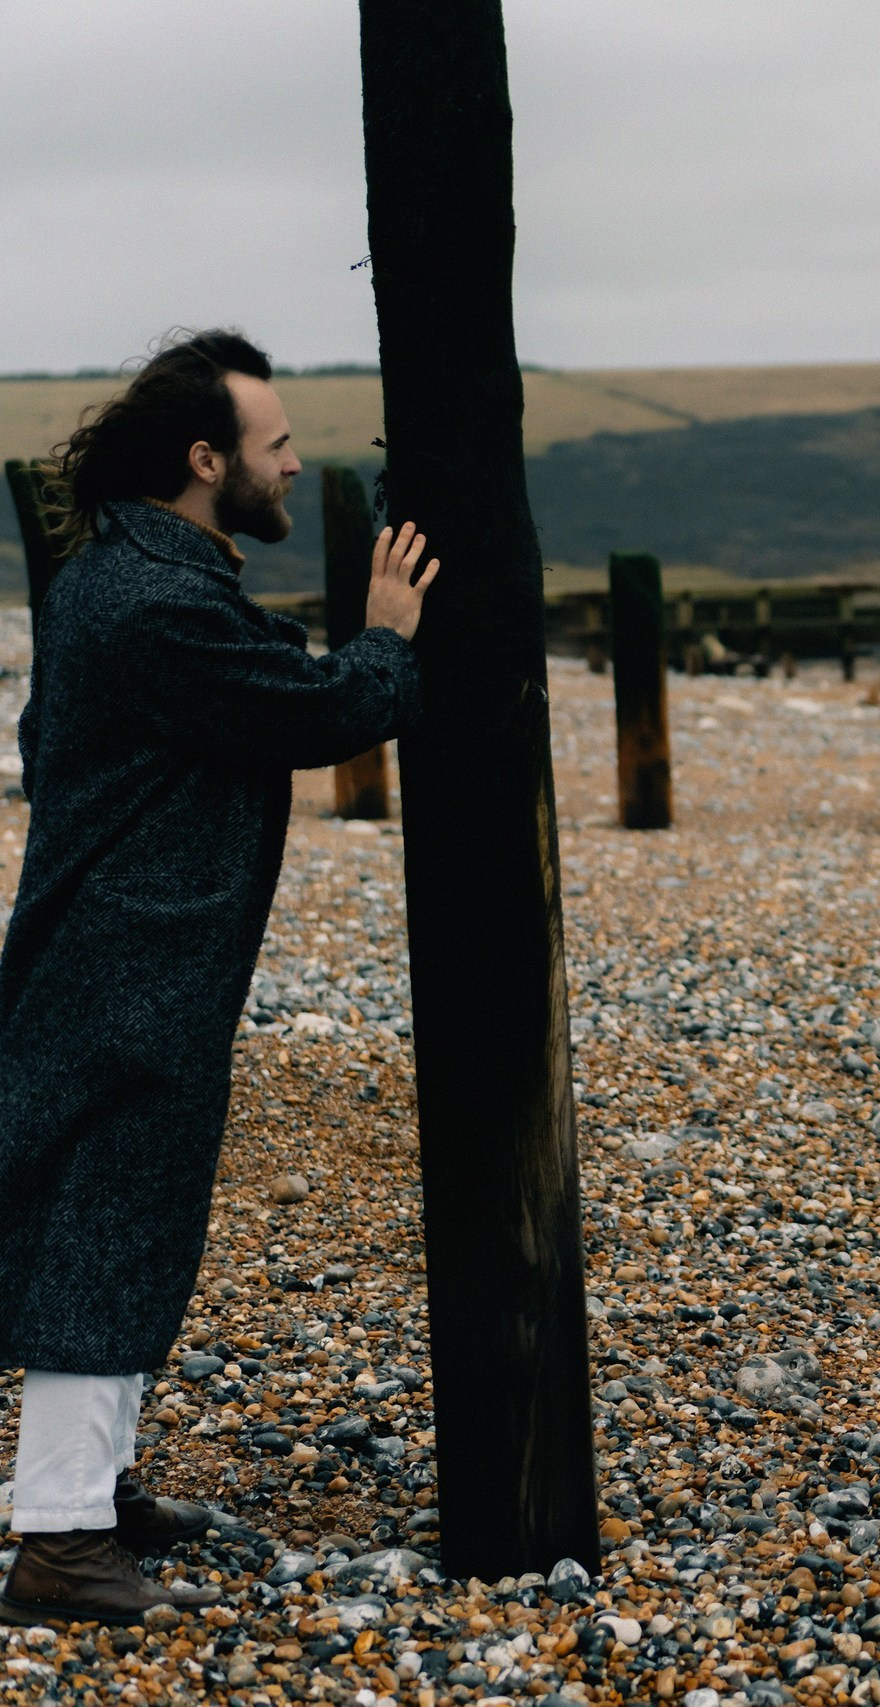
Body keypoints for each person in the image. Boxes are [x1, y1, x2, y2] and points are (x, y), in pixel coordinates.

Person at [0, 330, 439, 1625]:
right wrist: (391, 634)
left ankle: (93, 1489)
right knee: (105, 1237)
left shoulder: (126, 574)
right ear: (206, 460)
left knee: (124, 1225)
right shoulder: (155, 602)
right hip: (131, 966)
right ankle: (63, 1542)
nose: (298, 463)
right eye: (277, 443)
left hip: (120, 953)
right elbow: (311, 716)